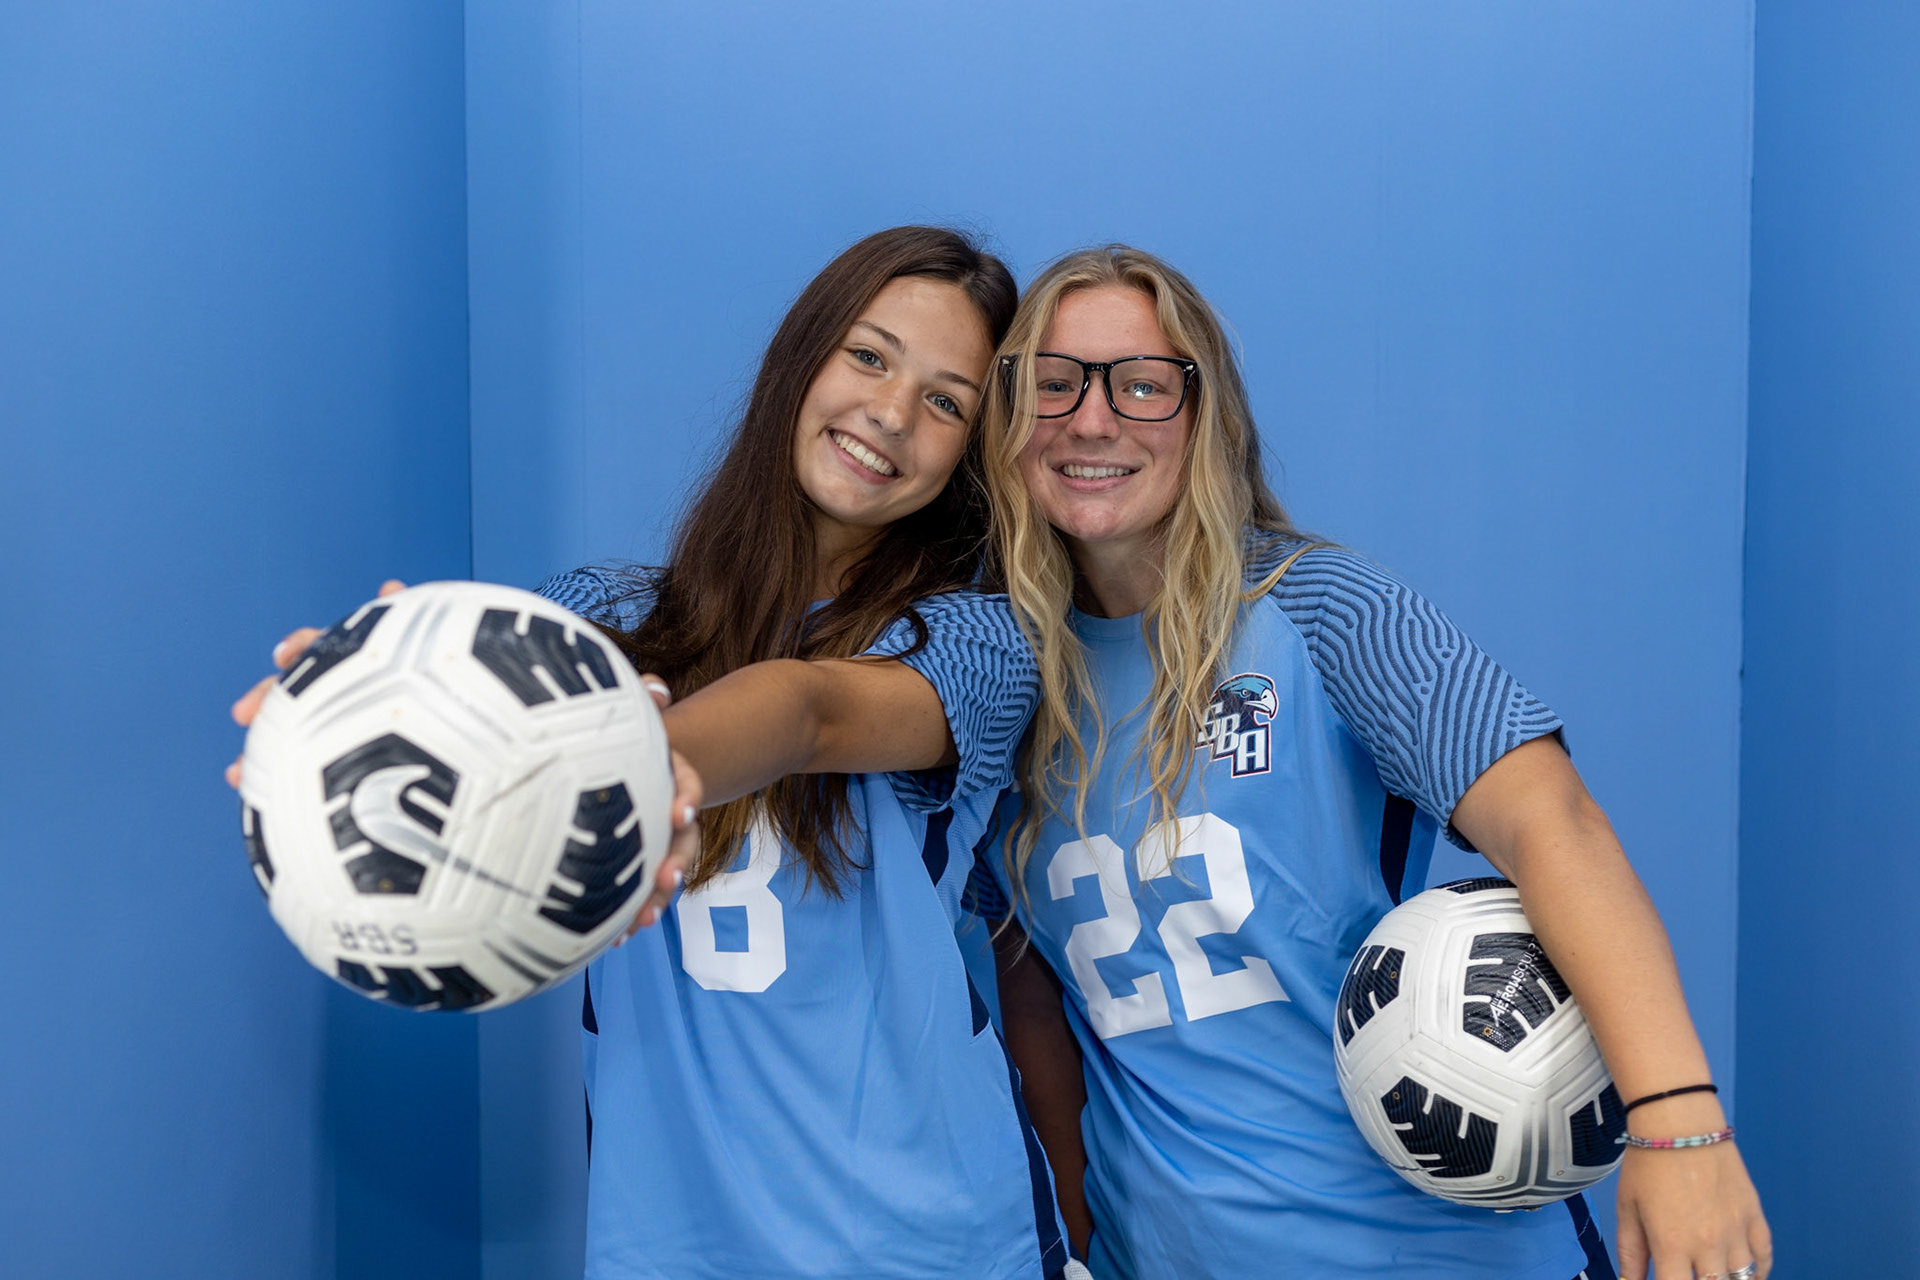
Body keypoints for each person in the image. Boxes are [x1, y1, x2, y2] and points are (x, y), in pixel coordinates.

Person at [233, 227, 1074, 1279]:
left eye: (946, 401)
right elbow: (464, 674)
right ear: (799, 359)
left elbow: (805, 708)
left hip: (932, 1245)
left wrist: (620, 759)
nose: (892, 413)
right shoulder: (604, 615)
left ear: (970, 452)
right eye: (868, 354)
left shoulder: (977, 642)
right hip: (669, 1246)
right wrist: (344, 717)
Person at [975, 246, 1771, 1280]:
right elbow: (1042, 1007)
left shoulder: (1319, 609)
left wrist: (1678, 1123)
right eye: (1052, 382)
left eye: (1141, 384)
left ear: (1205, 414)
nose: (1091, 420)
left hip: (1429, 1252)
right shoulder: (1003, 678)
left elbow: (1554, 824)